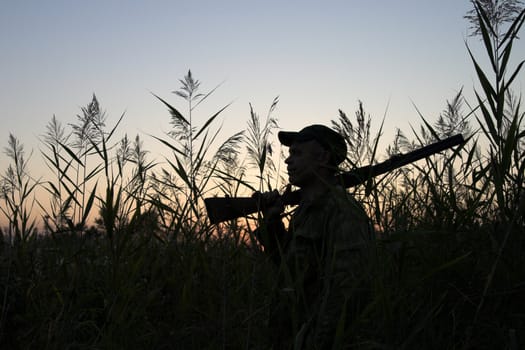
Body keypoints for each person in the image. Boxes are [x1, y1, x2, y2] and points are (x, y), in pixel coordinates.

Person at [254, 124, 372, 349]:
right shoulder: (305, 211)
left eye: (297, 153)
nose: (288, 161)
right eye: (289, 154)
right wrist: (272, 221)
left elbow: (346, 290)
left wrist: (314, 341)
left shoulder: (342, 211)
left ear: (323, 157)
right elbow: (289, 269)